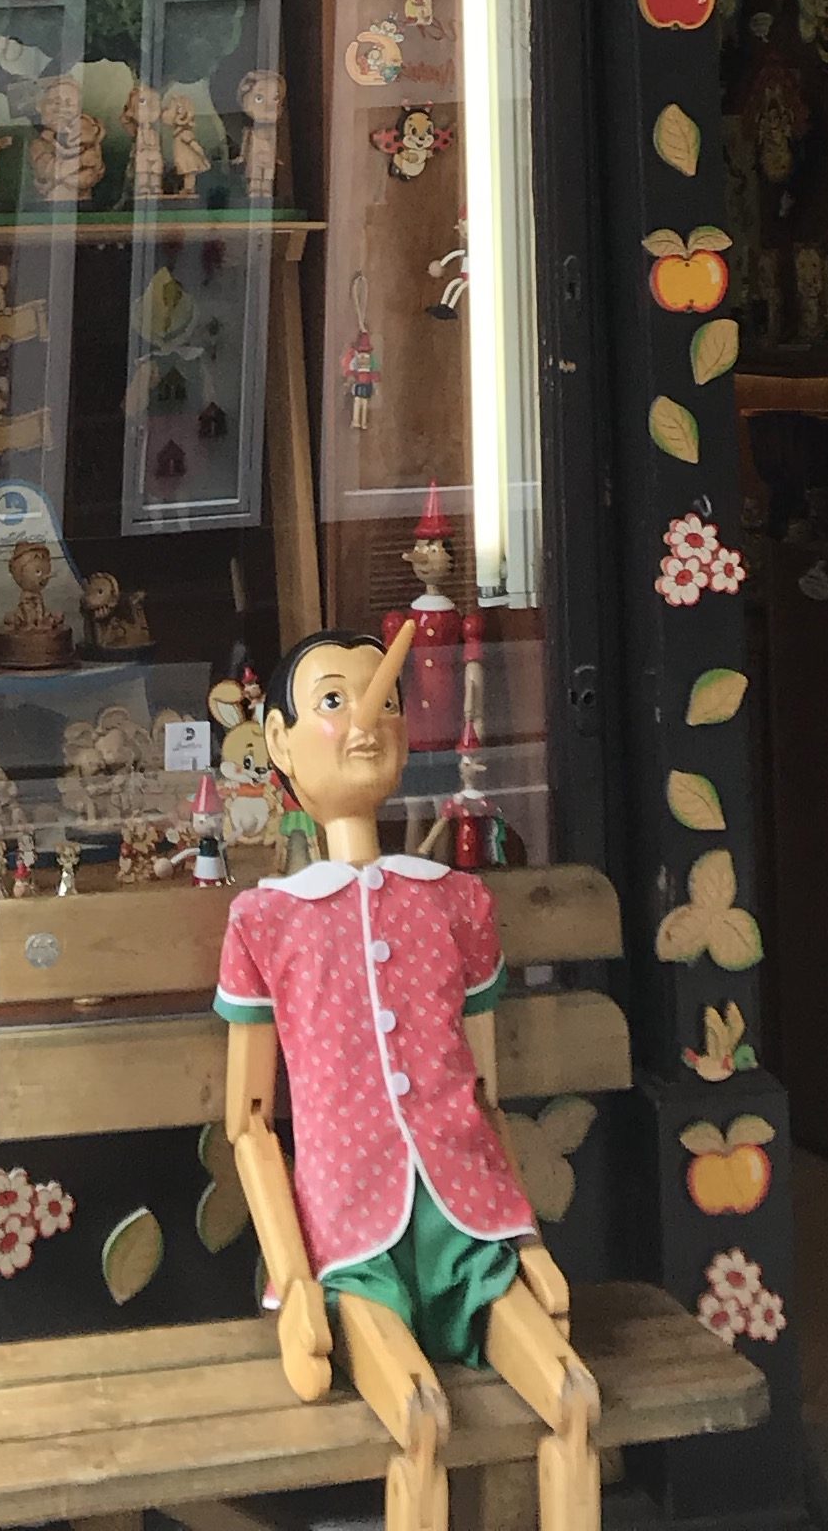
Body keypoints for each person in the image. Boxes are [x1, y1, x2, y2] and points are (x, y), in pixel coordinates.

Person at [216, 622, 597, 1531]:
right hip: (351, 1232)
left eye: (385, 700)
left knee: (577, 1400)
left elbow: (485, 1092)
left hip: (469, 1218)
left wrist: (526, 1241)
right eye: (335, 701)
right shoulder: (267, 922)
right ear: (278, 743)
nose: (366, 721)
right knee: (420, 1416)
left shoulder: (454, 902)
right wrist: (295, 1281)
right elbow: (250, 1123)